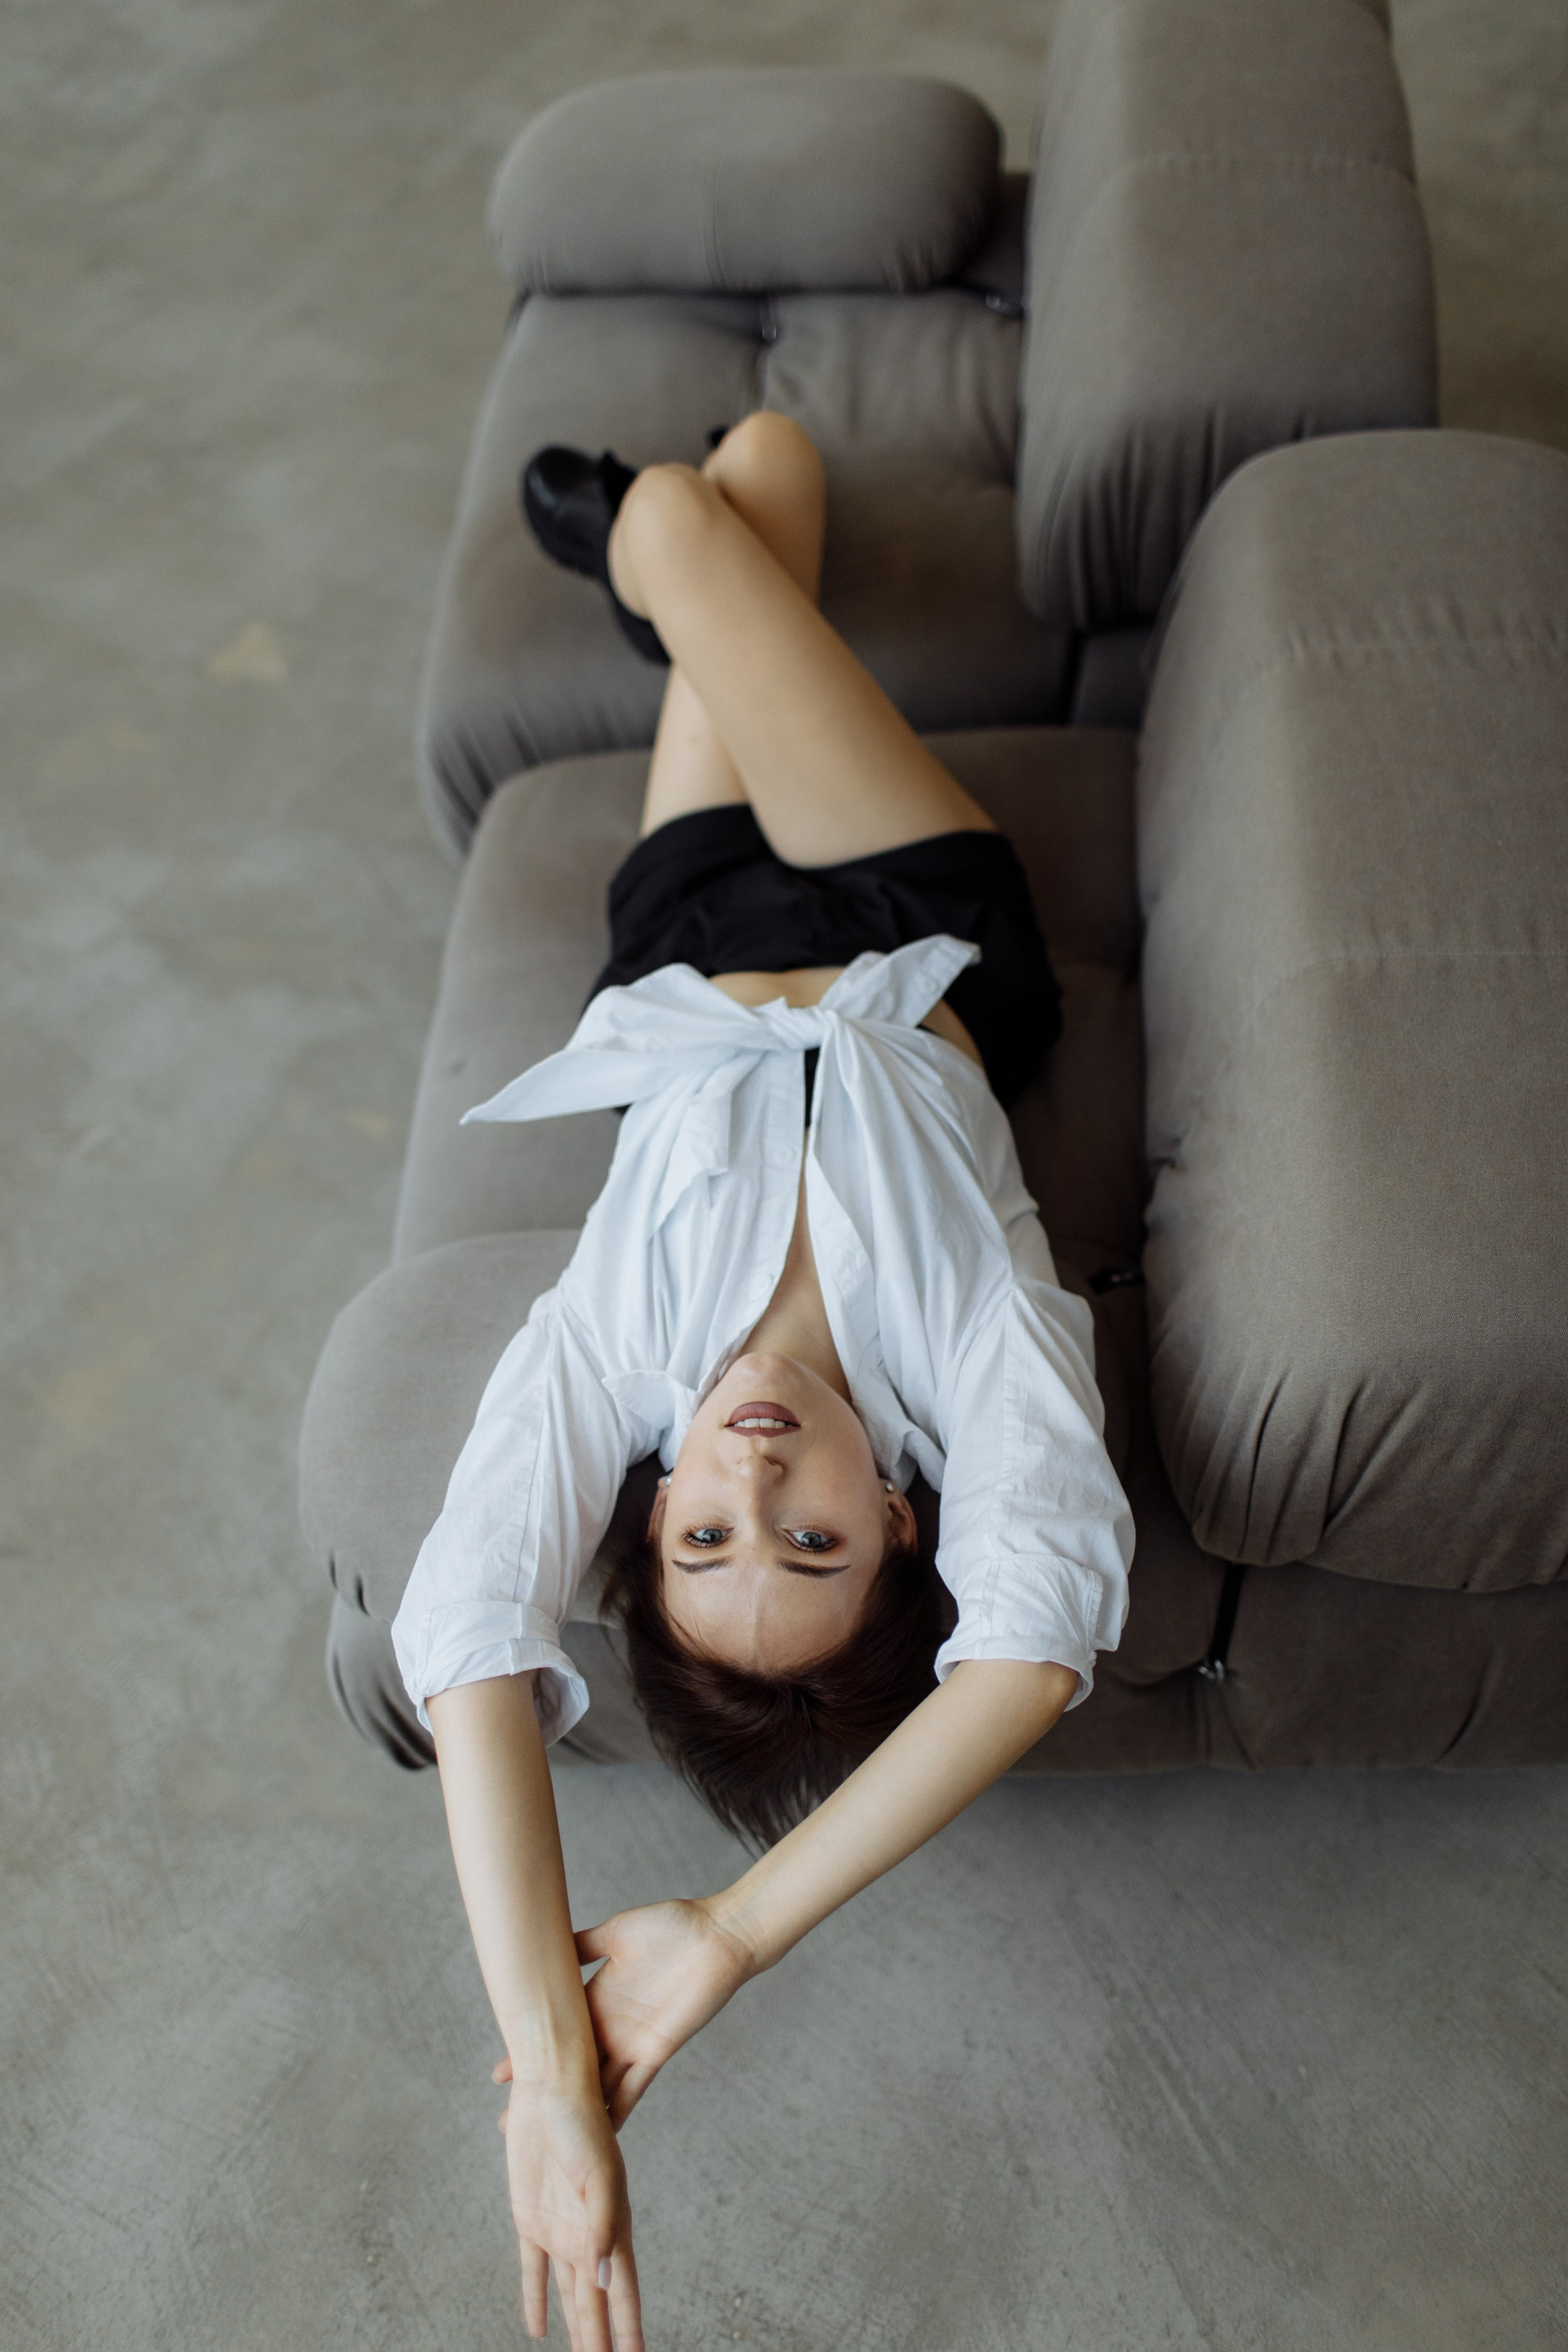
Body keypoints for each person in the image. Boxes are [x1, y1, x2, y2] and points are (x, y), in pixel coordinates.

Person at [389, 413, 1134, 2352]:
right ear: (899, 1517)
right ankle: (653, 543)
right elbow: (1034, 1648)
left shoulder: (616, 1350)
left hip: (687, 953)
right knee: (727, 492)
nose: (753, 1473)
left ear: (651, 1510)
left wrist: (550, 2071)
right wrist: (726, 1934)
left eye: (706, 1535)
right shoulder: (982, 1355)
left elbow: (463, 1638)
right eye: (809, 1541)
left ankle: (668, 551)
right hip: (916, 929)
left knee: (757, 489)